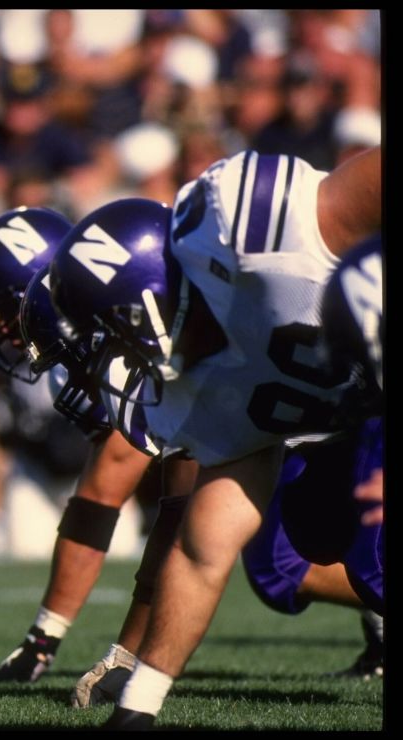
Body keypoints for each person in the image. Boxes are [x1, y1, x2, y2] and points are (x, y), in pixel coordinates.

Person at [48, 145, 381, 728]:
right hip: (359, 410)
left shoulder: (248, 222)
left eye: (111, 340)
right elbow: (204, 549)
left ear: (148, 304)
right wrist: (138, 707)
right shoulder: (199, 393)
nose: (111, 366)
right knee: (317, 530)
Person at [0, 207, 184, 685]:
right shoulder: (89, 338)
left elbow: (106, 488)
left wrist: (43, 642)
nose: (0, 326)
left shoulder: (119, 329)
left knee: (279, 567)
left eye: (3, 308)